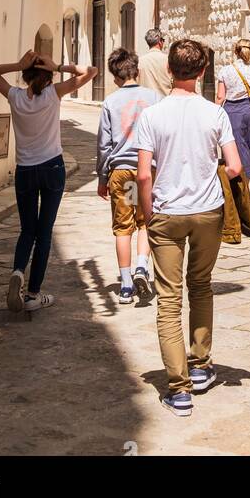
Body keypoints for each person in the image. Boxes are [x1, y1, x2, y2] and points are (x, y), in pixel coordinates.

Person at [136, 39, 242, 417]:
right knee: (201, 286)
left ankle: (179, 390)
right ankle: (201, 366)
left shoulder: (152, 115)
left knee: (168, 299)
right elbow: (234, 167)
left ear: (169, 71)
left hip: (165, 212)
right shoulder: (215, 115)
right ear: (201, 73)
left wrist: (148, 214)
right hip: (207, 211)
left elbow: (144, 173)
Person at [0, 49, 98, 312]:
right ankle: (34, 293)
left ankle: (17, 273)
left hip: (25, 170)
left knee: (27, 229)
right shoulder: (53, 93)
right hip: (52, 167)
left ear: (25, 76)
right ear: (48, 76)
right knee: (44, 232)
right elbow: (91, 72)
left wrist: (17, 62)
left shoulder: (14, 96)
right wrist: (59, 66)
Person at [97, 48, 159, 305]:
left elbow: (104, 144)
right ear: (138, 71)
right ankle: (142, 267)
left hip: (121, 170)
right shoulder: (154, 97)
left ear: (114, 77)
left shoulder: (110, 102)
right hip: (146, 169)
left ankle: (124, 284)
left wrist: (102, 177)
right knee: (145, 221)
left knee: (123, 227)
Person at [215, 37, 250, 180]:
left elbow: (220, 97)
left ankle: (239, 189)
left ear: (235, 52)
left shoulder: (225, 71)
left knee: (234, 148)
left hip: (232, 112)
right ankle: (249, 182)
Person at [138, 26, 171, 97]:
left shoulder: (140, 61)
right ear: (160, 42)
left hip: (146, 103)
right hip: (164, 102)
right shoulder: (168, 60)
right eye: (163, 40)